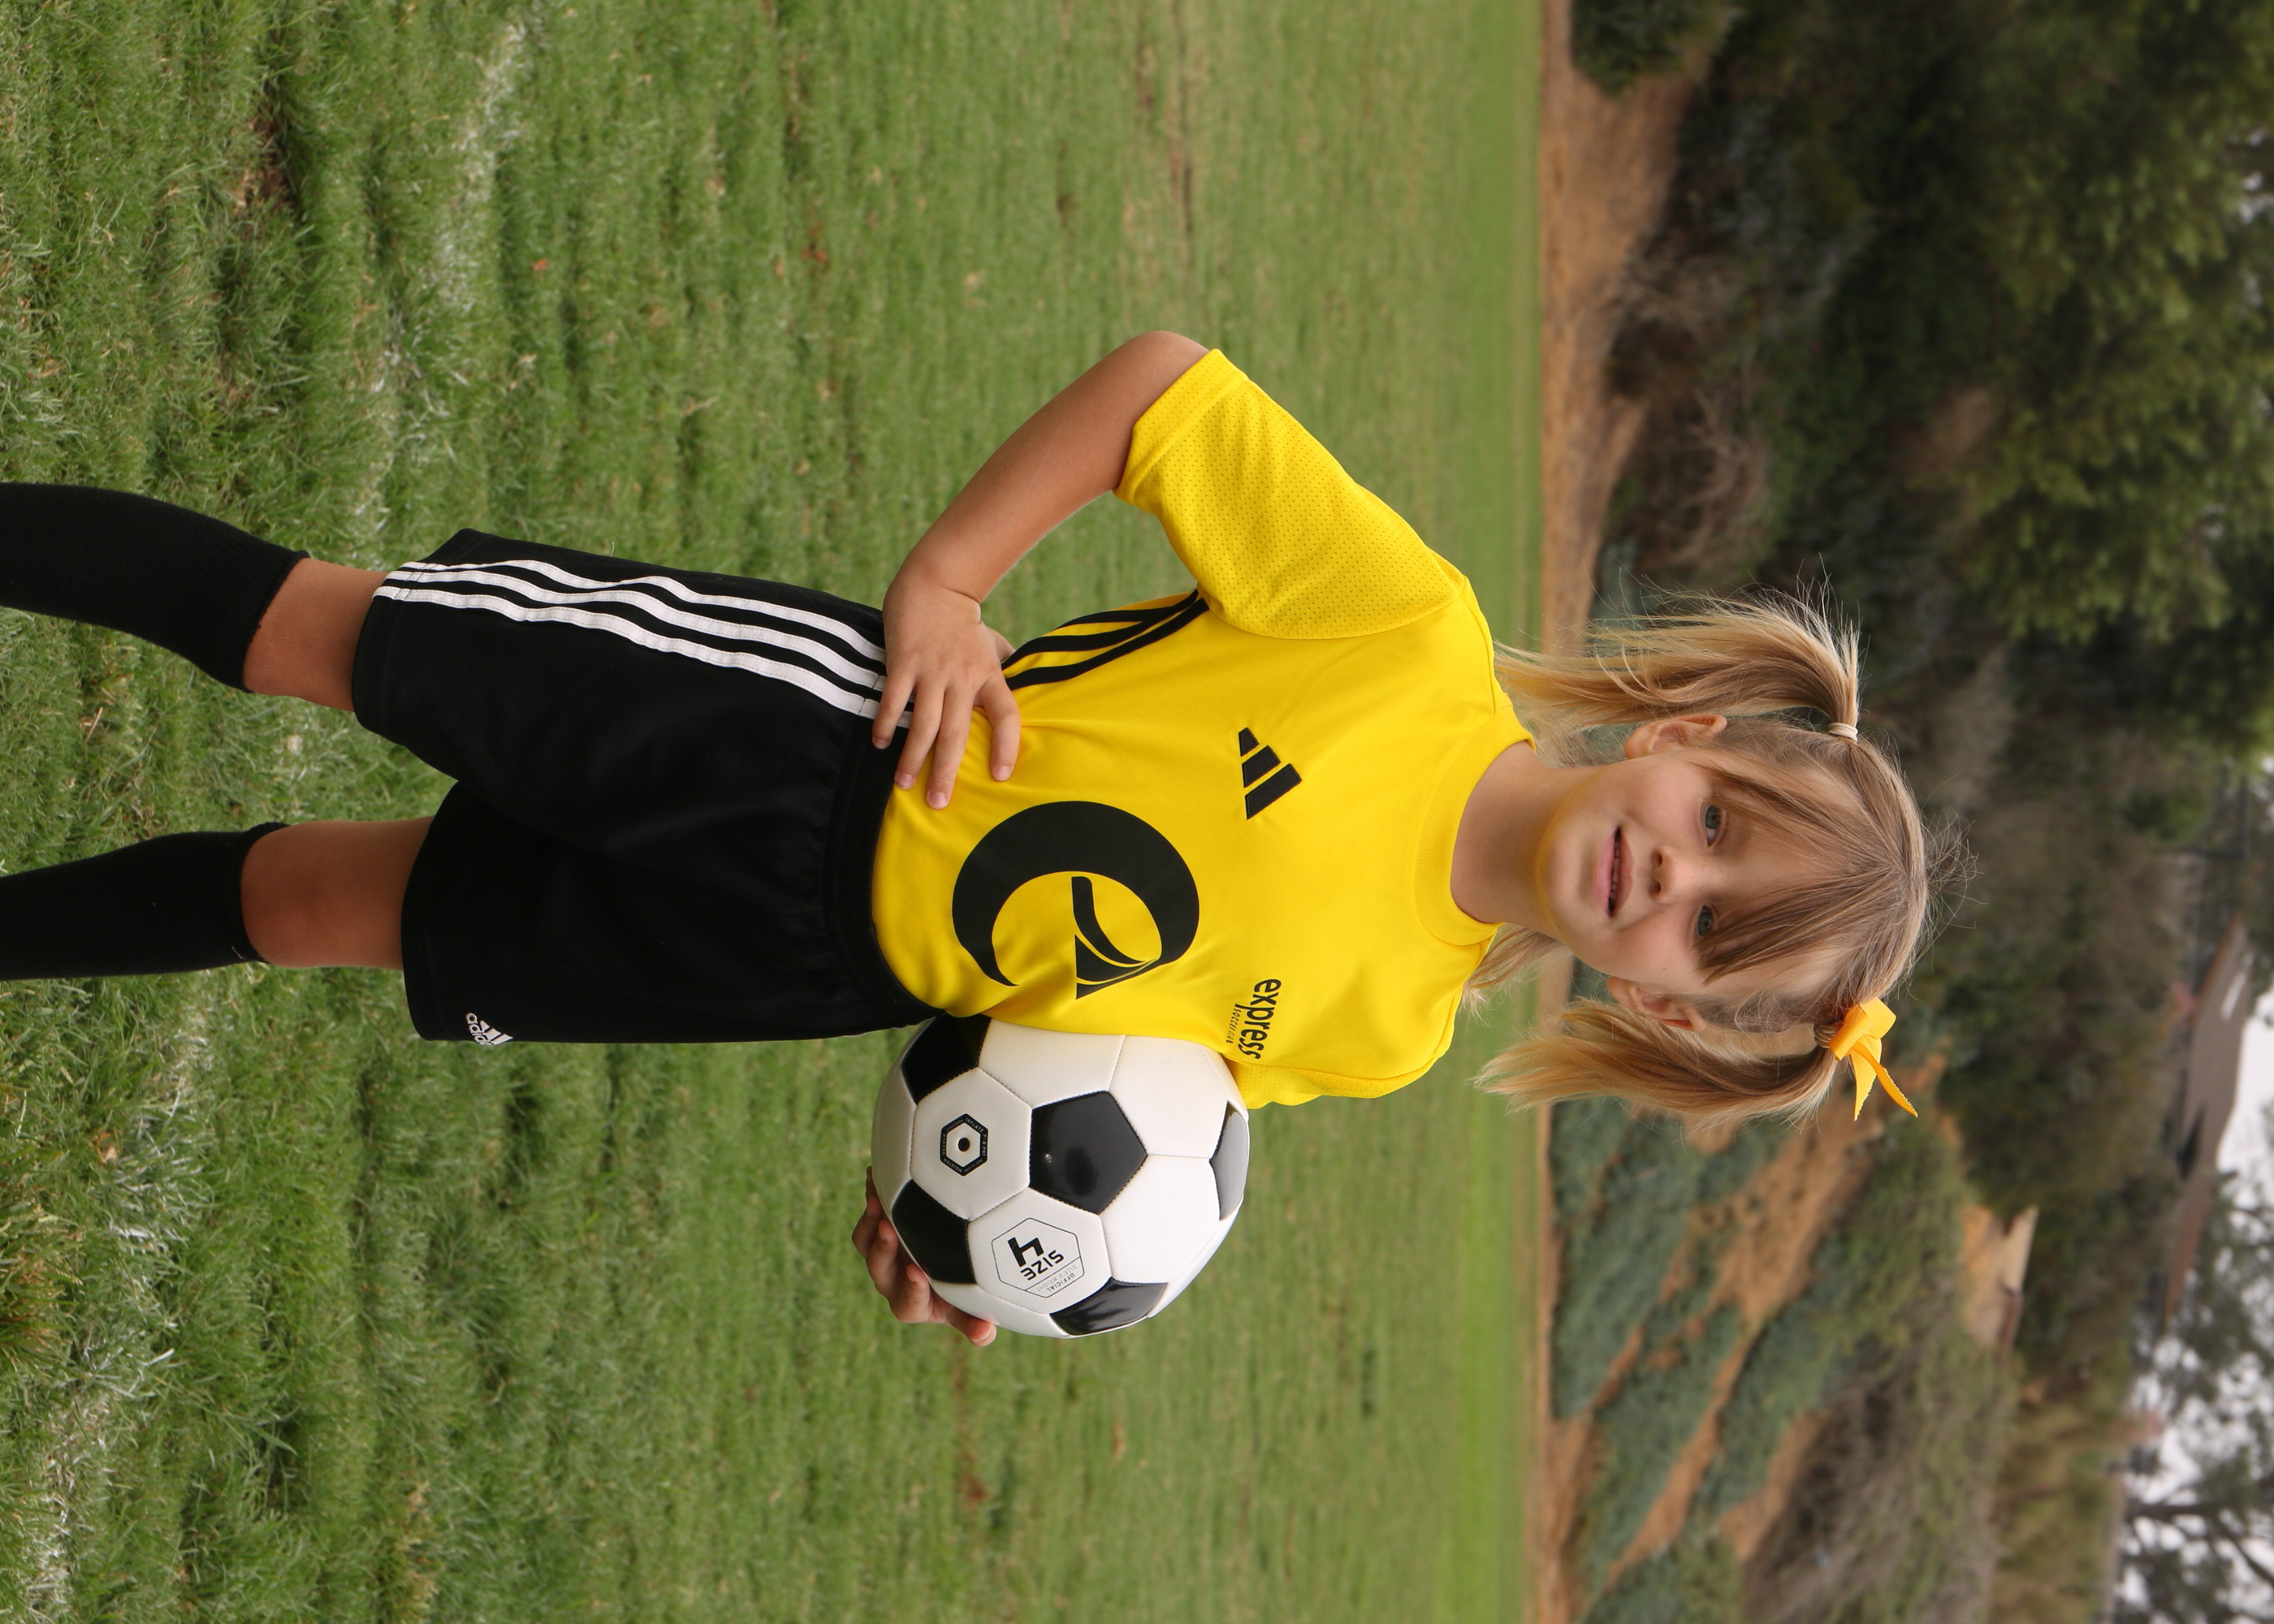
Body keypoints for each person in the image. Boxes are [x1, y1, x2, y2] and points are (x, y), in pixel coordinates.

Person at [0, 332, 1943, 1346]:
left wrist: (967, 1214)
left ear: (1666, 1010)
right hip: (806, 733)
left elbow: (1068, 1058)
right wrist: (943, 583)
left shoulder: (1380, 1035)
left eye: (1709, 930)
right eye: (1711, 823)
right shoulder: (1405, 637)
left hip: (802, 963)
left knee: (308, 907)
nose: (1668, 877)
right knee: (308, 635)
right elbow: (1163, 392)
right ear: (1681, 736)